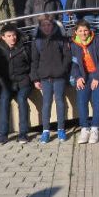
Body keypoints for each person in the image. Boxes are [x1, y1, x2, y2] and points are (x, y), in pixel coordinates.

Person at [31, 15, 72, 143]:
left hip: (59, 76)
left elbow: (67, 56)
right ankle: (46, 130)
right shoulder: (37, 41)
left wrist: (62, 69)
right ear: (40, 27)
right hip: (44, 77)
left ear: (53, 25)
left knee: (60, 102)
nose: (46, 27)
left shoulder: (61, 39)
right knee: (46, 103)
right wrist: (35, 78)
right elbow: (34, 61)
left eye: (49, 25)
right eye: (44, 25)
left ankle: (61, 129)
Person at [71, 20, 99, 144]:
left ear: (89, 31)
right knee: (81, 100)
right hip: (84, 75)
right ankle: (85, 128)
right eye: (80, 31)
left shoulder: (97, 40)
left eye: (85, 30)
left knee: (97, 99)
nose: (83, 33)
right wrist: (77, 77)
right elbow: (74, 64)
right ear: (76, 32)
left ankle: (95, 128)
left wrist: (97, 77)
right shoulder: (74, 44)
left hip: (98, 73)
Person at [0, 25, 32, 145]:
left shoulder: (24, 47)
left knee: (21, 99)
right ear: (3, 37)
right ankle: (3, 134)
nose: (12, 38)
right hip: (7, 83)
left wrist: (32, 79)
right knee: (4, 100)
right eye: (9, 36)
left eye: (14, 35)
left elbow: (32, 64)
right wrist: (0, 84)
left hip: (23, 81)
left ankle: (23, 133)